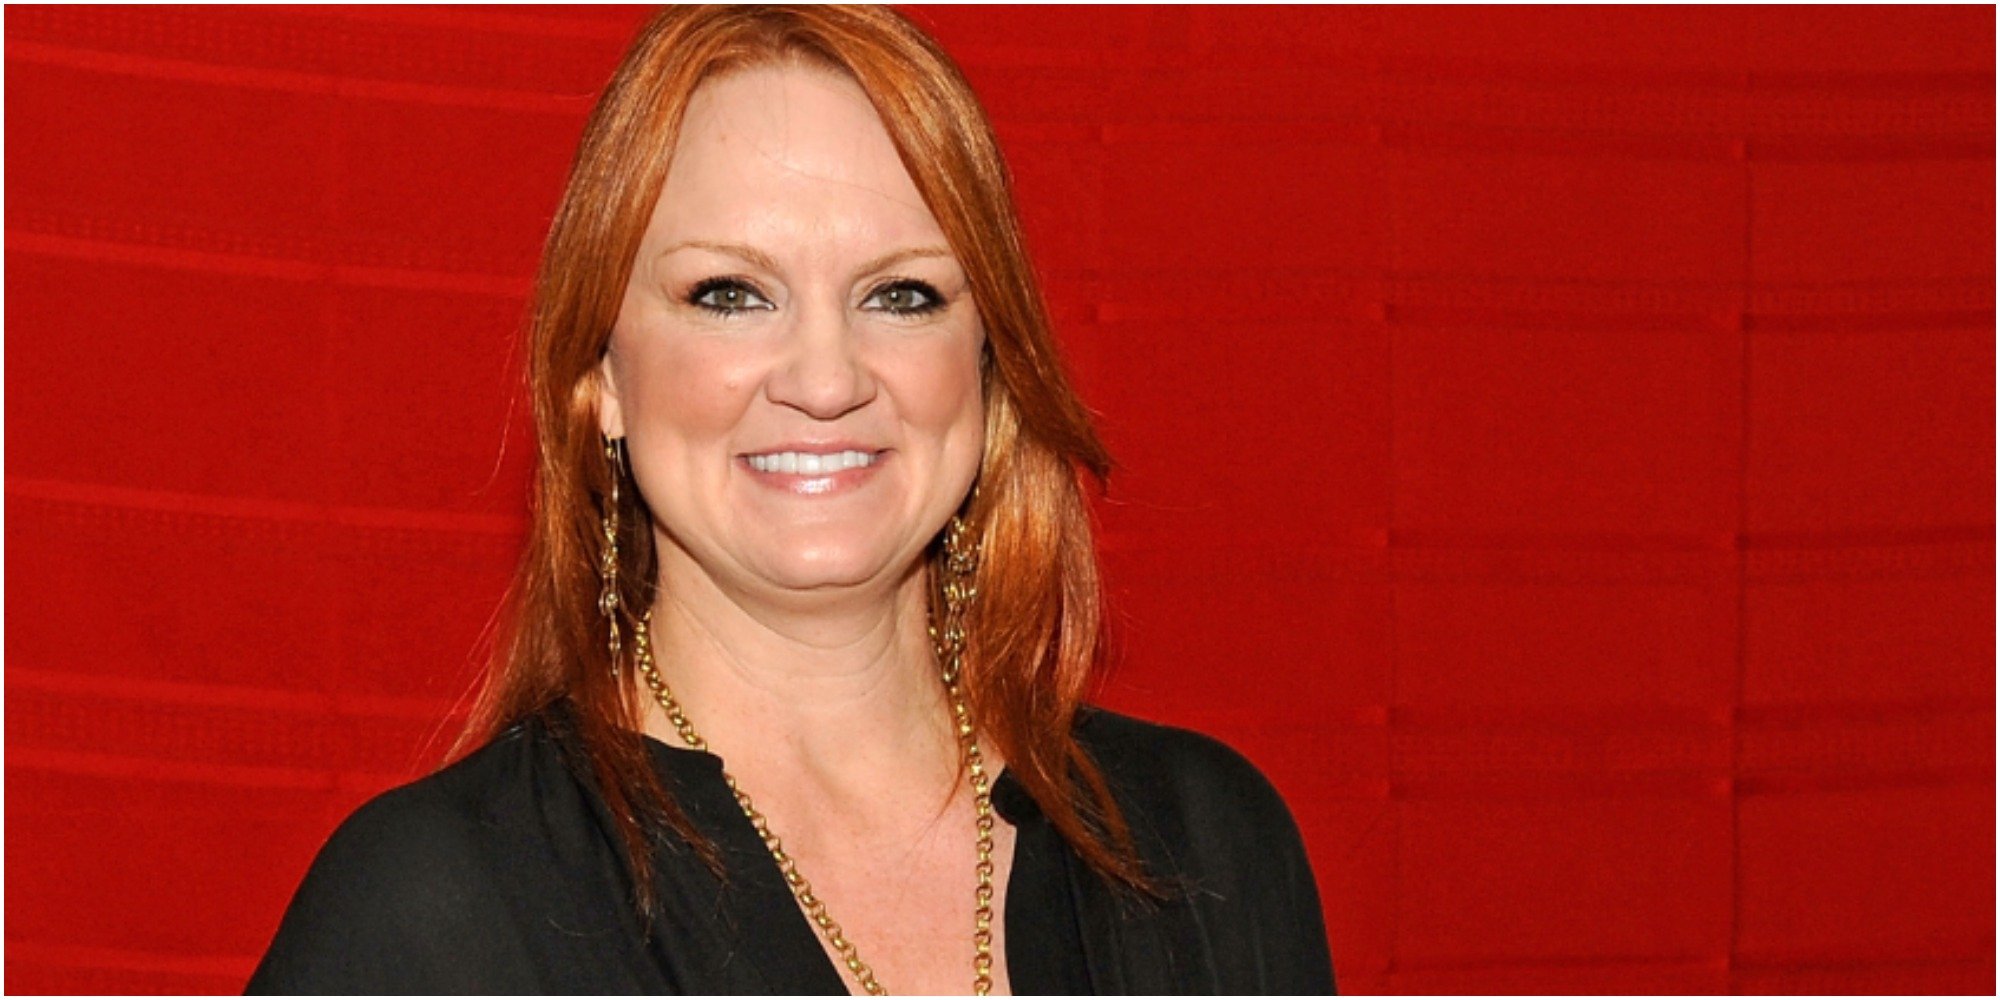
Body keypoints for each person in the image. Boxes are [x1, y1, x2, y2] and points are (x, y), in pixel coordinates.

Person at [247, 6, 1334, 995]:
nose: (825, 379)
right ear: (601, 379)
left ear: (991, 365)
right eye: (729, 294)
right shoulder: (431, 909)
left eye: (901, 294)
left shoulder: (1205, 853)